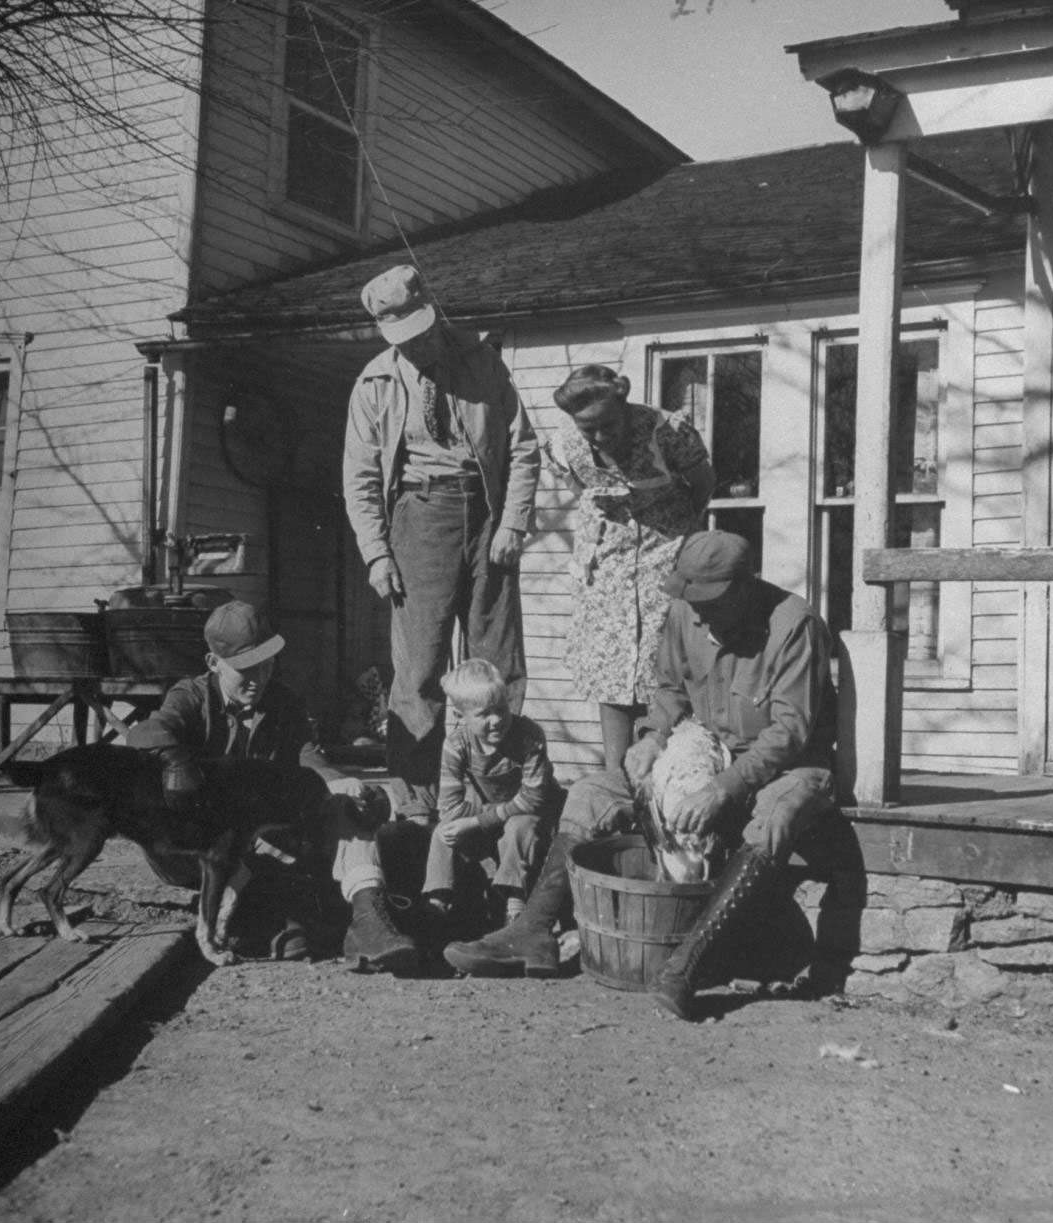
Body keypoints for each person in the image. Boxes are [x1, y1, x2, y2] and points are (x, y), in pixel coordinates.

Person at [443, 531, 838, 1021]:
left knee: (775, 817)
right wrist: (651, 737)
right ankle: (532, 931)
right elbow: (671, 690)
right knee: (589, 794)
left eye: (709, 602)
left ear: (743, 588)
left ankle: (688, 964)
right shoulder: (683, 615)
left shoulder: (794, 626)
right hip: (700, 752)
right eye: (689, 600)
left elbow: (789, 733)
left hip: (785, 766)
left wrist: (724, 788)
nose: (696, 614)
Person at [343, 264, 540, 822]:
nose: (419, 346)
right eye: (404, 338)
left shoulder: (483, 362)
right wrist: (377, 553)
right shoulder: (374, 383)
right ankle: (417, 805)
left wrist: (513, 524)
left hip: (487, 516)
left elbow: (523, 447)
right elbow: (358, 476)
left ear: (434, 312)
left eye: (424, 331)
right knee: (419, 670)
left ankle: (498, 799)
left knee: (496, 665)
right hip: (419, 517)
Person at [126, 599, 419, 974]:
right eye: (244, 669)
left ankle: (371, 921)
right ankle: (276, 917)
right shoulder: (191, 697)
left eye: (266, 664)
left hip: (259, 835)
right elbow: (146, 734)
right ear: (214, 664)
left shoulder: (282, 701)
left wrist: (338, 782)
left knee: (343, 808)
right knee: (282, 907)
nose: (258, 678)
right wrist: (179, 763)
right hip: (192, 845)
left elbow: (307, 757)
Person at [547, 365, 714, 772]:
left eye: (609, 424)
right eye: (590, 429)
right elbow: (579, 487)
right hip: (608, 561)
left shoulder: (667, 432)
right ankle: (617, 780)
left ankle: (666, 774)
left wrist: (675, 530)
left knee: (664, 664)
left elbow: (704, 484)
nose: (601, 437)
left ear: (624, 402)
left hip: (666, 548)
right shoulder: (564, 444)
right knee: (613, 671)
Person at [421, 659, 561, 927]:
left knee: (519, 826)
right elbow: (449, 808)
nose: (496, 721)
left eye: (501, 709)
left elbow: (533, 799)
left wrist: (476, 822)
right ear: (461, 716)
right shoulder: (456, 745)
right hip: (499, 813)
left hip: (535, 817)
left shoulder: (528, 736)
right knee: (444, 831)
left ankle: (514, 905)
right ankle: (438, 903)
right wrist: (478, 820)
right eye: (484, 714)